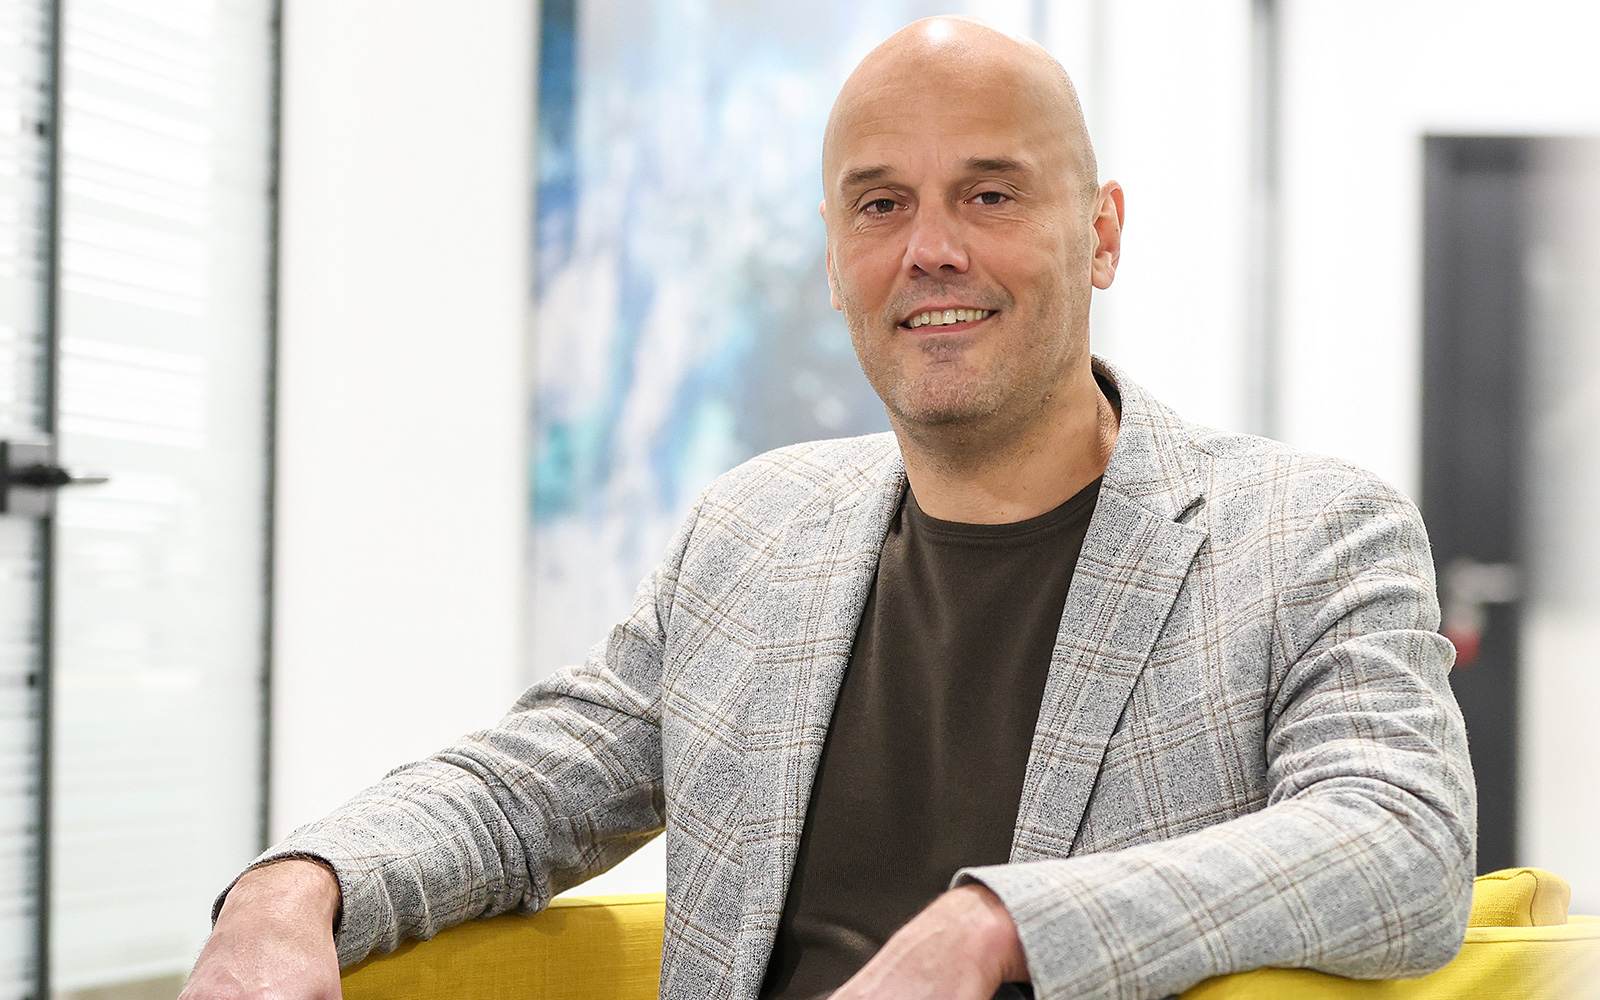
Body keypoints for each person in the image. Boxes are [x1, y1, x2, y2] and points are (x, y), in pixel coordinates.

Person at [181, 16, 1475, 1000]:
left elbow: (1400, 841)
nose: (931, 249)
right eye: (880, 204)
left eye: (990, 193)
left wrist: (998, 927)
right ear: (835, 250)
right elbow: (523, 792)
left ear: (1102, 232)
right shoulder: (751, 532)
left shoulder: (1305, 533)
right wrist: (294, 888)